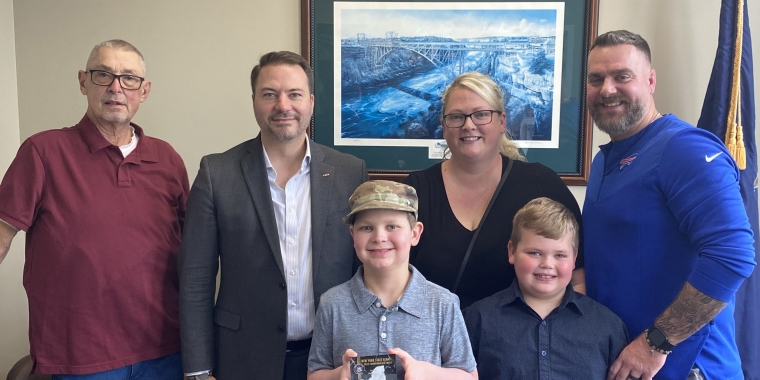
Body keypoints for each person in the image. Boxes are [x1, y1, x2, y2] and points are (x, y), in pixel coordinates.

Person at [0, 39, 188, 378]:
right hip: (80, 357)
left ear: (143, 91)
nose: (116, 87)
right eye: (104, 74)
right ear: (83, 81)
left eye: (129, 78)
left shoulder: (168, 160)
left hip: (164, 351)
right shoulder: (43, 152)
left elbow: (194, 253)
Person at [178, 51, 369, 380]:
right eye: (270, 94)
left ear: (310, 101)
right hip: (242, 358)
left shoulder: (350, 173)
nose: (283, 106)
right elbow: (195, 281)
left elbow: (365, 274)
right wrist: (198, 370)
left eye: (294, 94)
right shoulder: (216, 173)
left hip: (330, 358)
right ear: (254, 100)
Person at [583, 30, 756, 380]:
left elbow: (733, 255)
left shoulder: (684, 149)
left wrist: (656, 343)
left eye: (622, 76)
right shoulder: (603, 162)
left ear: (650, 81)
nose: (607, 89)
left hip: (689, 367)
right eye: (595, 79)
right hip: (628, 365)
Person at [403, 71, 585, 309]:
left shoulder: (542, 184)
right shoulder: (415, 191)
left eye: (481, 115)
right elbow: (389, 276)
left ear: (502, 122)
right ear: (443, 127)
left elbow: (577, 277)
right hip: (430, 342)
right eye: (456, 117)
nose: (469, 125)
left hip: (518, 343)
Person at [307, 180, 478, 380]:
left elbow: (469, 376)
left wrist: (427, 373)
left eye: (392, 226)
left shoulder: (443, 303)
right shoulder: (332, 304)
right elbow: (314, 374)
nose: (379, 237)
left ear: (415, 233)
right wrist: (339, 375)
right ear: (352, 235)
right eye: (367, 228)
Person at [464, 197, 628, 379]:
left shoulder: (607, 326)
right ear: (512, 252)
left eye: (560, 255)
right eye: (534, 253)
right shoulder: (476, 321)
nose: (547, 264)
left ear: (574, 259)